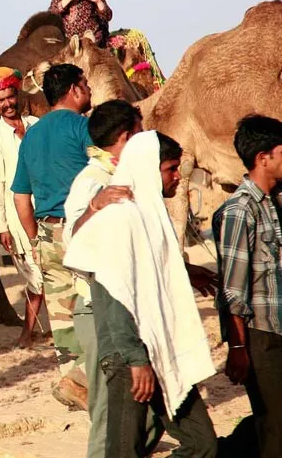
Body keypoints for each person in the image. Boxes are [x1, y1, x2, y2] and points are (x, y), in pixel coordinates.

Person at [64, 131, 218, 457]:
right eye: (171, 169)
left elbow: (149, 273)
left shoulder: (148, 212)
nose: (177, 177)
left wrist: (186, 273)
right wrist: (136, 360)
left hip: (159, 347)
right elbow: (115, 293)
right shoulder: (120, 217)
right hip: (128, 356)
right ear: (150, 167)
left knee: (203, 445)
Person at [63, 100, 144, 458]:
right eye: (139, 131)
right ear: (125, 137)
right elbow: (73, 241)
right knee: (108, 412)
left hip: (128, 307)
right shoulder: (92, 181)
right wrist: (95, 206)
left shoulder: (126, 176)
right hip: (100, 307)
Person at [11, 63, 92, 410]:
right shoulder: (82, 128)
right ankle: (89, 385)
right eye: (85, 84)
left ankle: (74, 380)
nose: (88, 90)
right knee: (95, 309)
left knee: (62, 318)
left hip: (47, 233)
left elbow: (20, 196)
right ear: (74, 89)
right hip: (84, 230)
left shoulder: (31, 136)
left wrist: (35, 237)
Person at [214, 114, 282, 457]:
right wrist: (238, 348)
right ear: (263, 157)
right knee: (275, 428)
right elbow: (232, 287)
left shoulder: (272, 204)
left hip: (277, 329)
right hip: (260, 335)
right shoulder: (240, 210)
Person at [0, 67, 45, 348]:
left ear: (17, 95)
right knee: (36, 277)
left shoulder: (36, 125)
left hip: (44, 210)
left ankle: (32, 332)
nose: (7, 103)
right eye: (1, 100)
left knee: (47, 272)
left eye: (10, 97)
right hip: (15, 218)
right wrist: (0, 226)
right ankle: (27, 333)